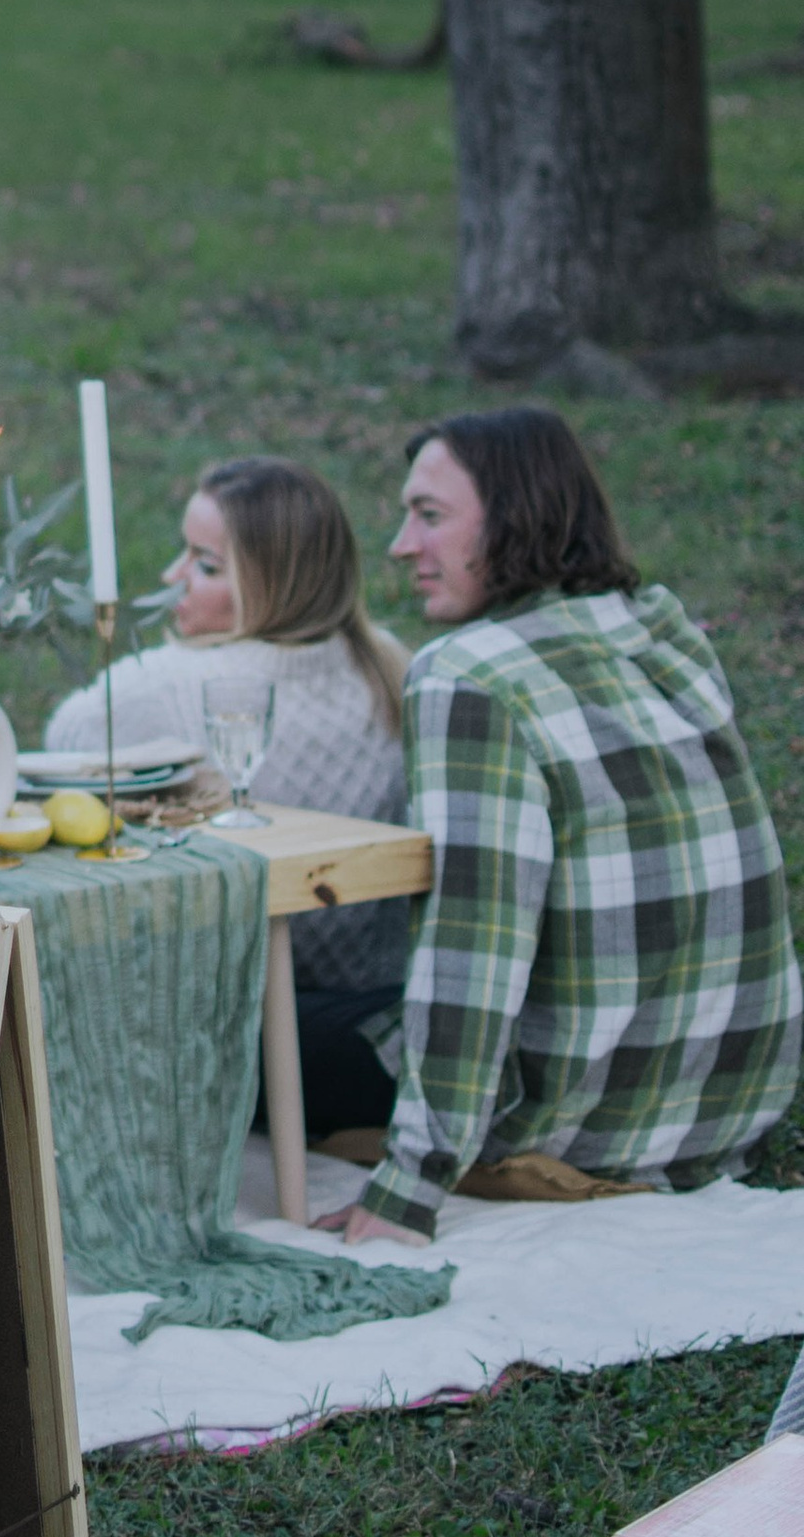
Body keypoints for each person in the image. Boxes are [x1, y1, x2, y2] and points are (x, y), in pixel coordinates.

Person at [315, 404, 801, 1250]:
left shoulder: (469, 674)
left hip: (582, 1120)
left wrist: (409, 1184)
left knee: (260, 1038)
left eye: (429, 515)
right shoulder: (657, 623)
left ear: (515, 516)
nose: (400, 545)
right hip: (734, 1101)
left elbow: (474, 944)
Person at [44, 455, 411, 1132]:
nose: (171, 577)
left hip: (248, 1048)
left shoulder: (178, 683)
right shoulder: (389, 663)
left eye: (205, 565)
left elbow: (66, 734)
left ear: (271, 586)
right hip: (383, 1027)